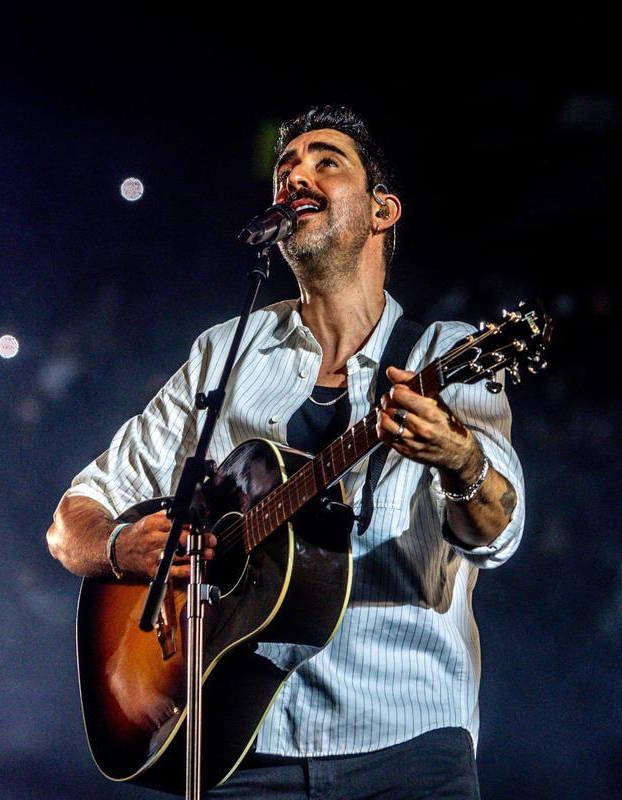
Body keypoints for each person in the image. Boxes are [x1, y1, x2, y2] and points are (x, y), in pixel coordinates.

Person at [46, 105, 525, 799]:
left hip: (407, 750)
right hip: (239, 749)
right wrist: (122, 547)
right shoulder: (226, 350)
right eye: (286, 168)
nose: (298, 175)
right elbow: (73, 518)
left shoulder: (443, 355)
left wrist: (460, 458)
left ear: (382, 210)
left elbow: (499, 533)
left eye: (327, 162)